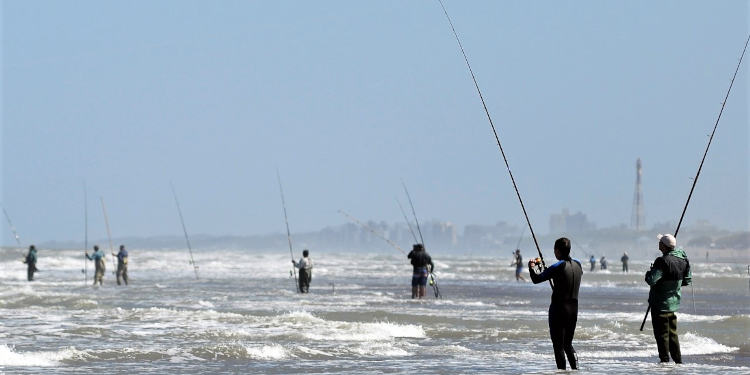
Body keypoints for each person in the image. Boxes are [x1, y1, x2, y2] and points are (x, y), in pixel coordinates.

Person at [529, 237, 582, 370]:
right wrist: (546, 270)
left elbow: (537, 279)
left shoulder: (557, 266)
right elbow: (563, 280)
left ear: (558, 251)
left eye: (554, 250)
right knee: (568, 344)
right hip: (573, 309)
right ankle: (576, 370)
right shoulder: (578, 264)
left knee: (558, 345)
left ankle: (562, 372)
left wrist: (531, 267)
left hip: (559, 310)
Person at [645, 234, 692, 364]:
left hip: (660, 304)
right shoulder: (683, 260)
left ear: (663, 246)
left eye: (660, 242)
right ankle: (678, 361)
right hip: (673, 304)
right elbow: (687, 280)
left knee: (661, 335)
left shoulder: (662, 261)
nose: (658, 244)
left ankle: (664, 362)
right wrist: (672, 286)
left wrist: (649, 272)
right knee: (672, 334)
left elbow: (651, 280)